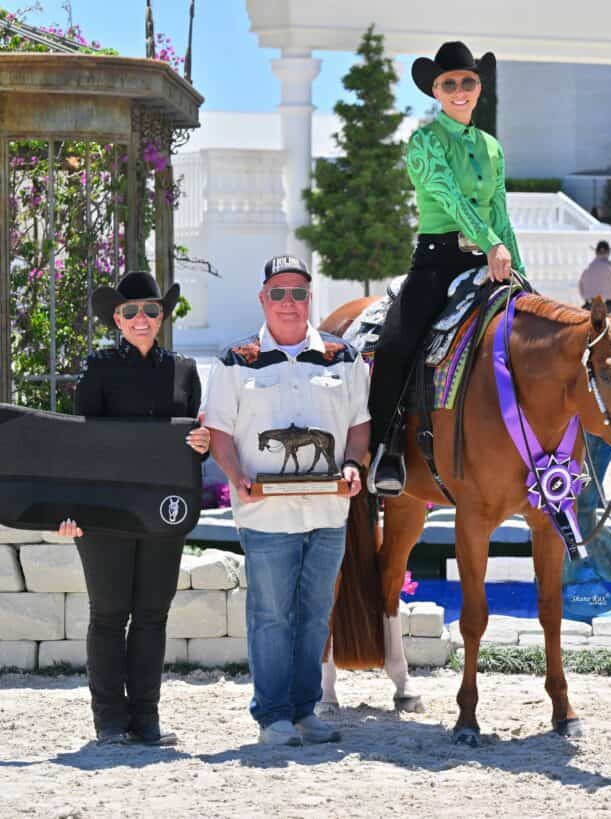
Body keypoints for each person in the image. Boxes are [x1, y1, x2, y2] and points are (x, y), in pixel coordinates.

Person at [205, 255, 369, 747]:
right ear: (263, 299)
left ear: (309, 298)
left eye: (298, 292)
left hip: (328, 511)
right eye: (278, 292)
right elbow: (219, 431)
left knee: (317, 612)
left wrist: (353, 466)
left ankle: (305, 710)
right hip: (265, 512)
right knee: (271, 614)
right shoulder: (236, 360)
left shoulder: (345, 357)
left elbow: (359, 425)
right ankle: (272, 715)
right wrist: (235, 476)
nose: (289, 303)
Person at [58, 272, 210, 746]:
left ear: (162, 316)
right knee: (108, 613)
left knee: (152, 614)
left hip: (164, 512)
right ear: (117, 320)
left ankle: (145, 720)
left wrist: (202, 445)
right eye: (130, 312)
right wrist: (70, 511)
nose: (140, 319)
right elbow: (79, 444)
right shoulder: (98, 368)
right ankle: (108, 721)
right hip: (105, 513)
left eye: (149, 310)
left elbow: (192, 443)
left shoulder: (184, 370)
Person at [366, 40, 524, 496]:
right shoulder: (423, 142)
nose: (460, 90)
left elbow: (501, 215)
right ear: (436, 91)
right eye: (449, 83)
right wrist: (492, 242)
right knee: (398, 345)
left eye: (467, 81)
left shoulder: (492, 148)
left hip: (487, 261)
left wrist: (520, 272)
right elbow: (450, 198)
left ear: (479, 88)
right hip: (436, 263)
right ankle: (385, 447)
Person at [579, 240, 611, 315]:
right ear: (608, 252)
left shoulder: (587, 269)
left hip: (589, 307)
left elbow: (581, 288)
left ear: (596, 252)